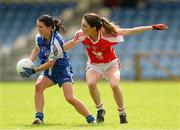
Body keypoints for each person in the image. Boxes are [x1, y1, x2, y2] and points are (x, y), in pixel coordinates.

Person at [64, 13, 168, 124]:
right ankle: (100, 109)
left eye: (85, 26)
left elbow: (128, 31)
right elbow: (71, 44)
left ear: (94, 28)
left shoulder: (106, 34)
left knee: (114, 85)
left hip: (111, 64)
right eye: (82, 25)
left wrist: (151, 27)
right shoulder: (80, 34)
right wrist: (55, 51)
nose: (82, 28)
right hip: (94, 65)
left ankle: (122, 113)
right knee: (91, 84)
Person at [19, 14, 96, 125]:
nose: (38, 29)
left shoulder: (56, 41)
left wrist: (33, 71)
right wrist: (29, 62)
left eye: (41, 27)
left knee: (69, 98)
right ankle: (39, 118)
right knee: (38, 87)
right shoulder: (38, 37)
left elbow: (50, 63)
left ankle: (90, 119)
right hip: (49, 71)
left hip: (62, 70)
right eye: (37, 26)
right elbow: (36, 49)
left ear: (50, 27)